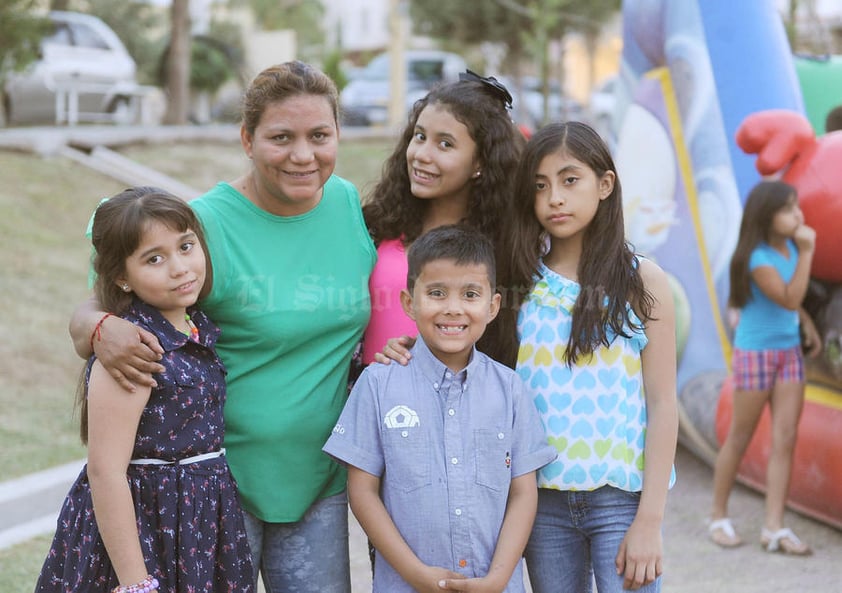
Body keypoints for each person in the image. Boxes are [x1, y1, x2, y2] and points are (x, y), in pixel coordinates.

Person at [68, 62, 376, 592]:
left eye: (319, 136)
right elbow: (97, 302)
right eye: (282, 137)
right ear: (247, 140)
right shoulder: (201, 225)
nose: (304, 155)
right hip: (217, 486)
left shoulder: (347, 203)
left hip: (320, 478)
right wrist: (100, 329)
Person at [37, 187, 254, 593]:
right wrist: (137, 582)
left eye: (186, 247)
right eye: (154, 259)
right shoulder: (133, 348)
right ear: (121, 275)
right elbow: (106, 471)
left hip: (200, 523)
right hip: (146, 528)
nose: (179, 268)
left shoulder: (195, 328)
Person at [324, 225, 556, 593]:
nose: (453, 308)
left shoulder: (510, 390)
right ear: (408, 303)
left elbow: (524, 493)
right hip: (405, 584)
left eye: (470, 294)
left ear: (492, 306)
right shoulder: (378, 384)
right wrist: (415, 573)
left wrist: (498, 579)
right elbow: (362, 491)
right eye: (436, 293)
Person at [508, 121, 678, 592]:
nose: (554, 198)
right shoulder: (520, 283)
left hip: (620, 501)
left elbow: (663, 403)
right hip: (540, 504)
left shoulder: (642, 281)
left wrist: (650, 521)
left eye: (569, 180)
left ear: (605, 185)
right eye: (540, 186)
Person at [362, 70, 525, 370]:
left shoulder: (505, 247)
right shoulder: (378, 225)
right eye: (420, 136)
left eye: (445, 144)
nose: (422, 154)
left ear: (479, 163)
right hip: (372, 402)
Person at [708, 180, 820, 555]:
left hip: (789, 353)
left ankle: (774, 527)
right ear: (767, 216)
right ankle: (717, 516)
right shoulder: (757, 258)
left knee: (785, 439)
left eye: (797, 206)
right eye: (789, 209)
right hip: (755, 354)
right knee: (739, 437)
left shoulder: (787, 247)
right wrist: (807, 253)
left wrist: (806, 323)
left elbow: (791, 301)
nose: (798, 215)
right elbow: (788, 296)